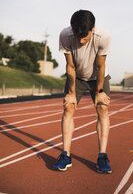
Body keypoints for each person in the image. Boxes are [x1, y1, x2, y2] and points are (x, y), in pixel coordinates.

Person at [52, 10, 112, 173]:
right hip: (77, 76)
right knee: (68, 107)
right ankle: (66, 155)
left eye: (84, 36)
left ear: (92, 28)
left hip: (97, 75)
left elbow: (100, 66)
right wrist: (71, 93)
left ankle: (102, 156)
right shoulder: (65, 35)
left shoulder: (104, 36)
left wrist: (100, 91)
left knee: (102, 108)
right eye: (77, 35)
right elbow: (70, 66)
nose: (80, 40)